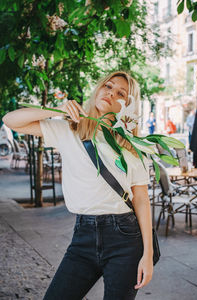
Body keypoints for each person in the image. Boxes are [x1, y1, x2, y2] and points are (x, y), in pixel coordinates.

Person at [3, 71, 153, 300]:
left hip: (124, 237)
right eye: (108, 86)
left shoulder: (131, 146)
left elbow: (141, 199)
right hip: (83, 235)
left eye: (121, 93)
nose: (111, 93)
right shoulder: (69, 130)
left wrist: (148, 254)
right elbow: (11, 120)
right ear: (98, 89)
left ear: (128, 105)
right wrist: (58, 110)